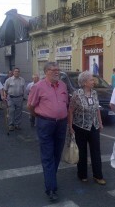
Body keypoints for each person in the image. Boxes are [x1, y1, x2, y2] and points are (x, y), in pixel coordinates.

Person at [27, 62, 68, 202]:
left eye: (58, 69)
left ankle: (51, 178)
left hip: (61, 124)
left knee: (57, 154)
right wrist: (40, 117)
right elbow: (30, 106)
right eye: (53, 70)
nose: (57, 72)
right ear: (46, 72)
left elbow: (65, 104)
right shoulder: (38, 86)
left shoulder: (63, 85)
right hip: (45, 124)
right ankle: (51, 188)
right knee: (47, 156)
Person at [68, 71, 106, 185]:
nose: (93, 81)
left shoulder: (94, 93)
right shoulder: (76, 94)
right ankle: (82, 174)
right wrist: (70, 127)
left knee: (96, 151)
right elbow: (70, 111)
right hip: (80, 126)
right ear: (84, 82)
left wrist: (100, 122)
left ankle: (98, 175)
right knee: (82, 152)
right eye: (91, 80)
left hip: (94, 126)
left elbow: (97, 109)